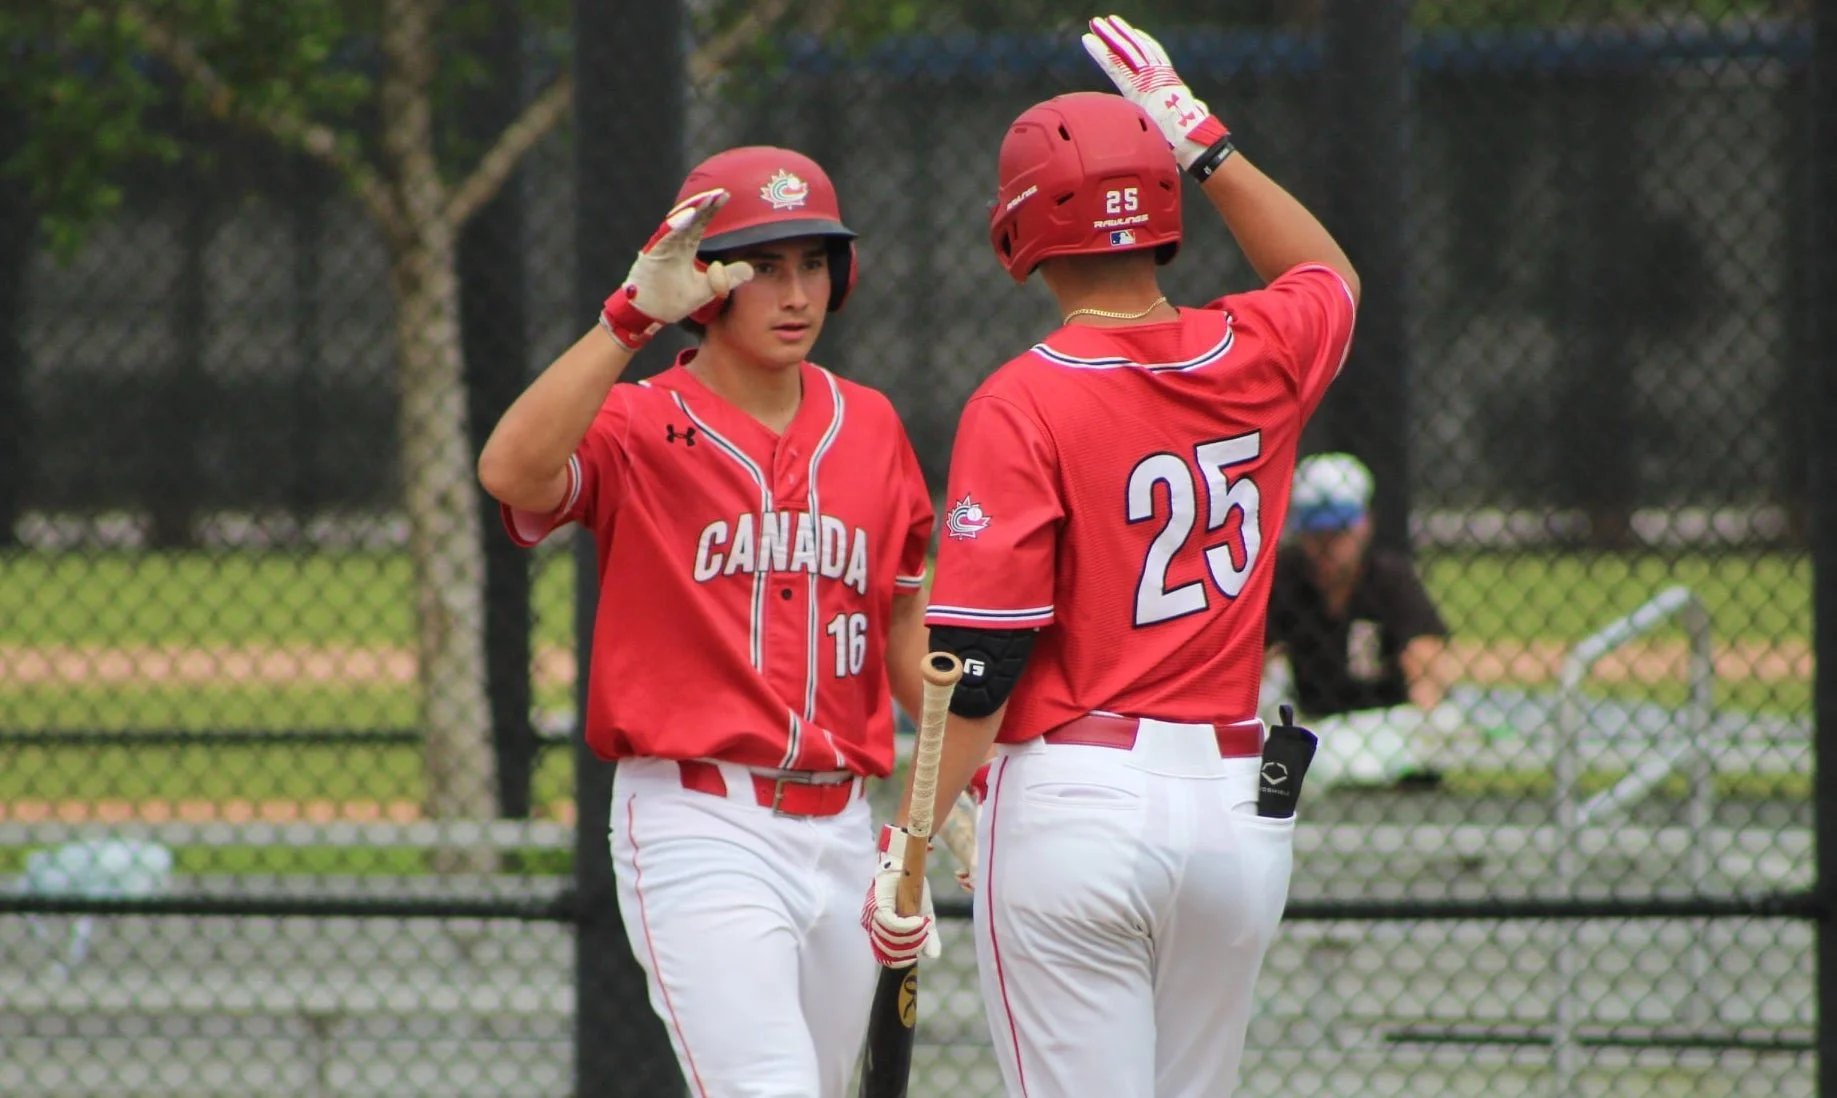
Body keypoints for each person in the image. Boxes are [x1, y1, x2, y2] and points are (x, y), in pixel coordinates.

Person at [860, 14, 1360, 1097]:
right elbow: (1327, 273)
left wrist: (908, 840)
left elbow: (978, 671)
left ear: (1019, 227)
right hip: (1234, 815)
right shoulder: (1260, 350)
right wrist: (1200, 137)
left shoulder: (1022, 398)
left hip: (1075, 805)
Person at [476, 147, 935, 1098]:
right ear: (707, 281)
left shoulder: (872, 424)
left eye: (812, 263)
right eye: (763, 266)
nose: (794, 292)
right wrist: (626, 319)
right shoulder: (636, 423)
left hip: (847, 827)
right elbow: (511, 473)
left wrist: (957, 784)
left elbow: (903, 623)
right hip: (699, 821)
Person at [1262, 451, 1457, 788]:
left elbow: (1426, 660)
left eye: (1338, 532)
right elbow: (1254, 662)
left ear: (1365, 523)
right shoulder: (1284, 579)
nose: (1327, 545)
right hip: (1313, 726)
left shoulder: (1389, 579)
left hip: (1387, 726)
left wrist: (1424, 714)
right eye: (1317, 533)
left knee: (1441, 726)